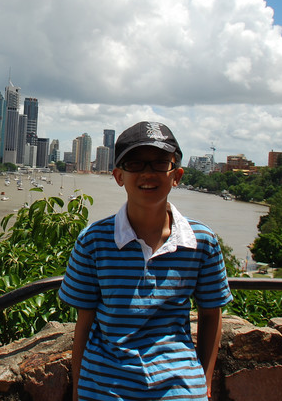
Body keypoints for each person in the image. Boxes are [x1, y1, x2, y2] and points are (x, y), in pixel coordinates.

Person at [59, 121, 232, 400]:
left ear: (177, 175)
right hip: (106, 387)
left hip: (179, 387)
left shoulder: (201, 241)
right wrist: (80, 388)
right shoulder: (94, 241)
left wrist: (205, 380)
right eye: (135, 164)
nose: (148, 173)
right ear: (118, 176)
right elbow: (85, 321)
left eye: (160, 163)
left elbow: (212, 314)